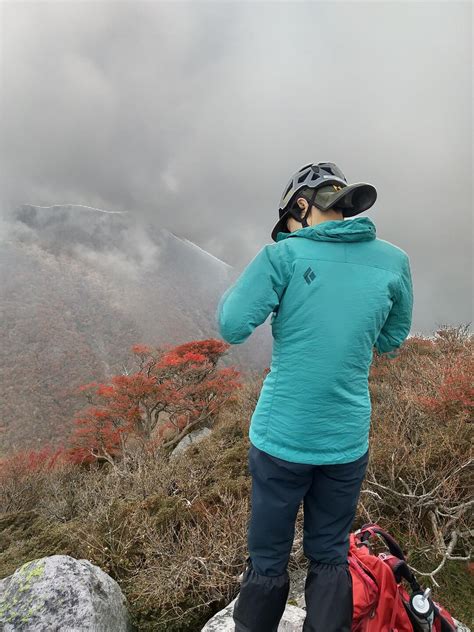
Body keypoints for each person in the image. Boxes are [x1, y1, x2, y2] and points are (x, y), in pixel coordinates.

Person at [215, 161, 414, 632]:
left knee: (267, 558)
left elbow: (232, 325)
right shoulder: (394, 261)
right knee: (328, 554)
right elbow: (392, 337)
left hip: (280, 438)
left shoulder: (282, 257)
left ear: (300, 208)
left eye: (288, 222)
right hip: (345, 442)